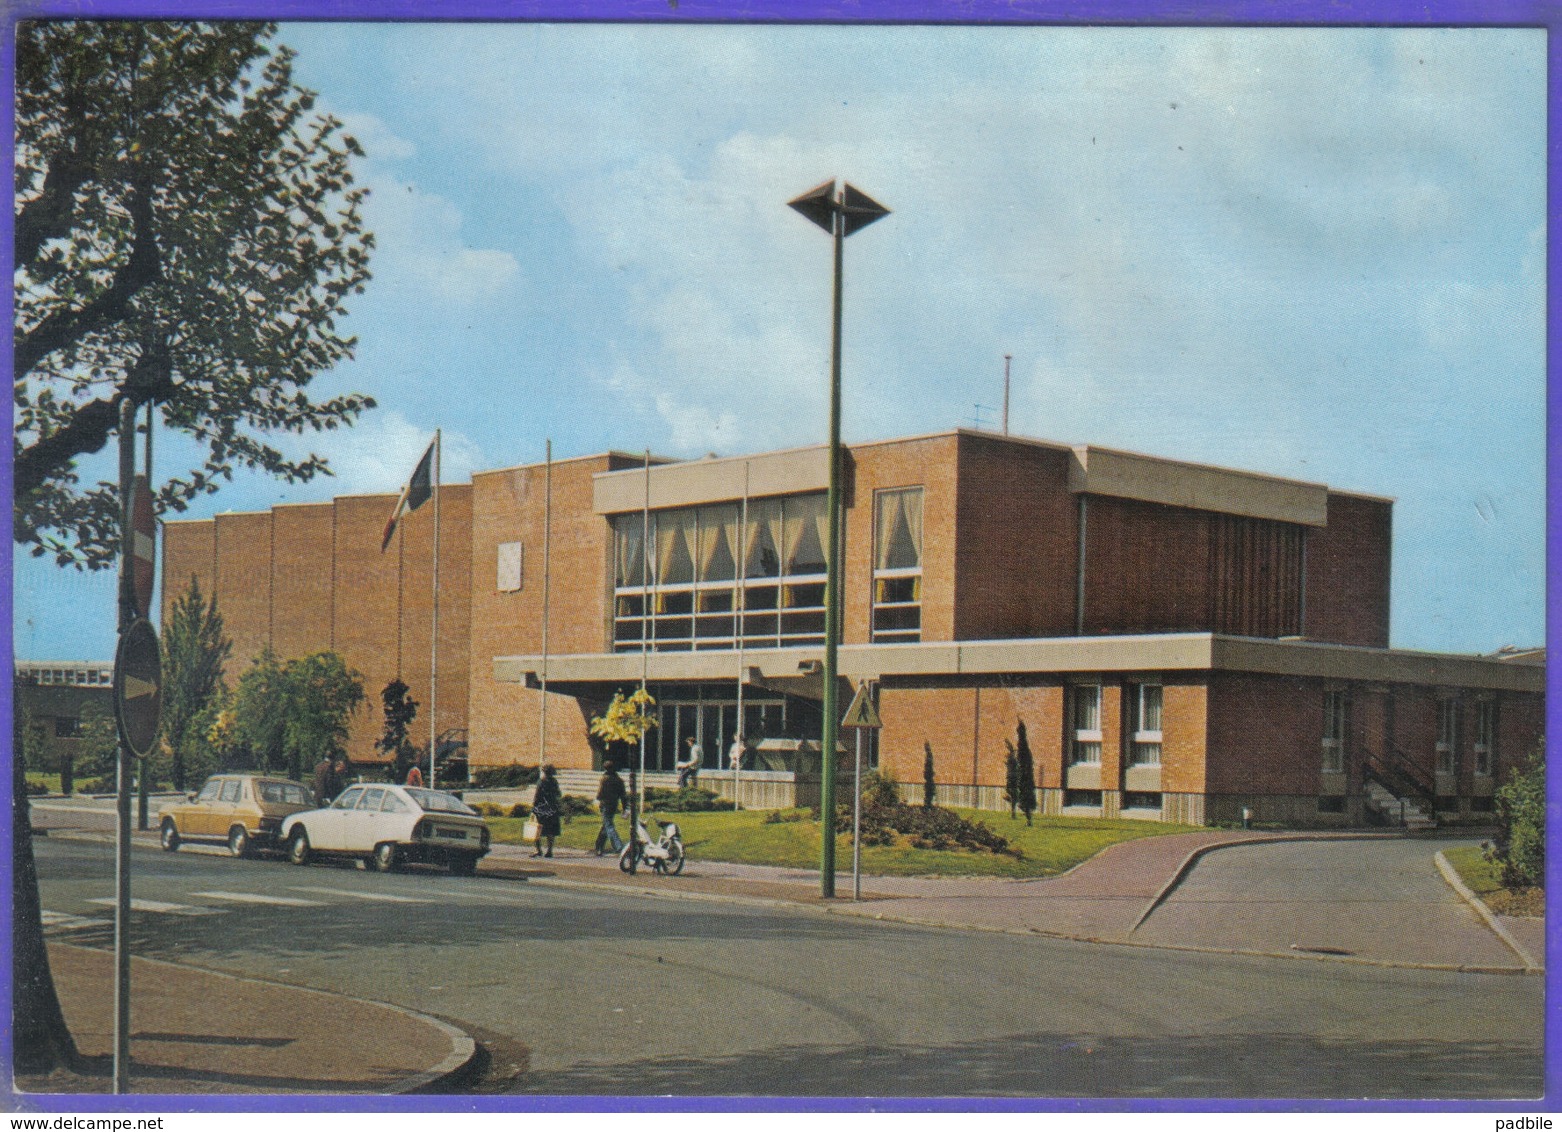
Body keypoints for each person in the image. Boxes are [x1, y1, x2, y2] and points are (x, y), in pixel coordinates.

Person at [594, 760, 627, 855]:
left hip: (605, 804)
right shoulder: (619, 780)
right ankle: (599, 846)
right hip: (614, 804)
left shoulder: (604, 779)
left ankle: (618, 846)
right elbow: (623, 795)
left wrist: (599, 798)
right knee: (606, 825)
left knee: (608, 825)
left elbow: (599, 794)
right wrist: (624, 808)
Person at [531, 763, 562, 858]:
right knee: (551, 830)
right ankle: (549, 850)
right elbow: (559, 794)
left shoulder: (541, 782)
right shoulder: (554, 782)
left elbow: (537, 796)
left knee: (537, 829)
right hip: (552, 807)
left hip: (541, 808)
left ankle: (538, 849)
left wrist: (534, 808)